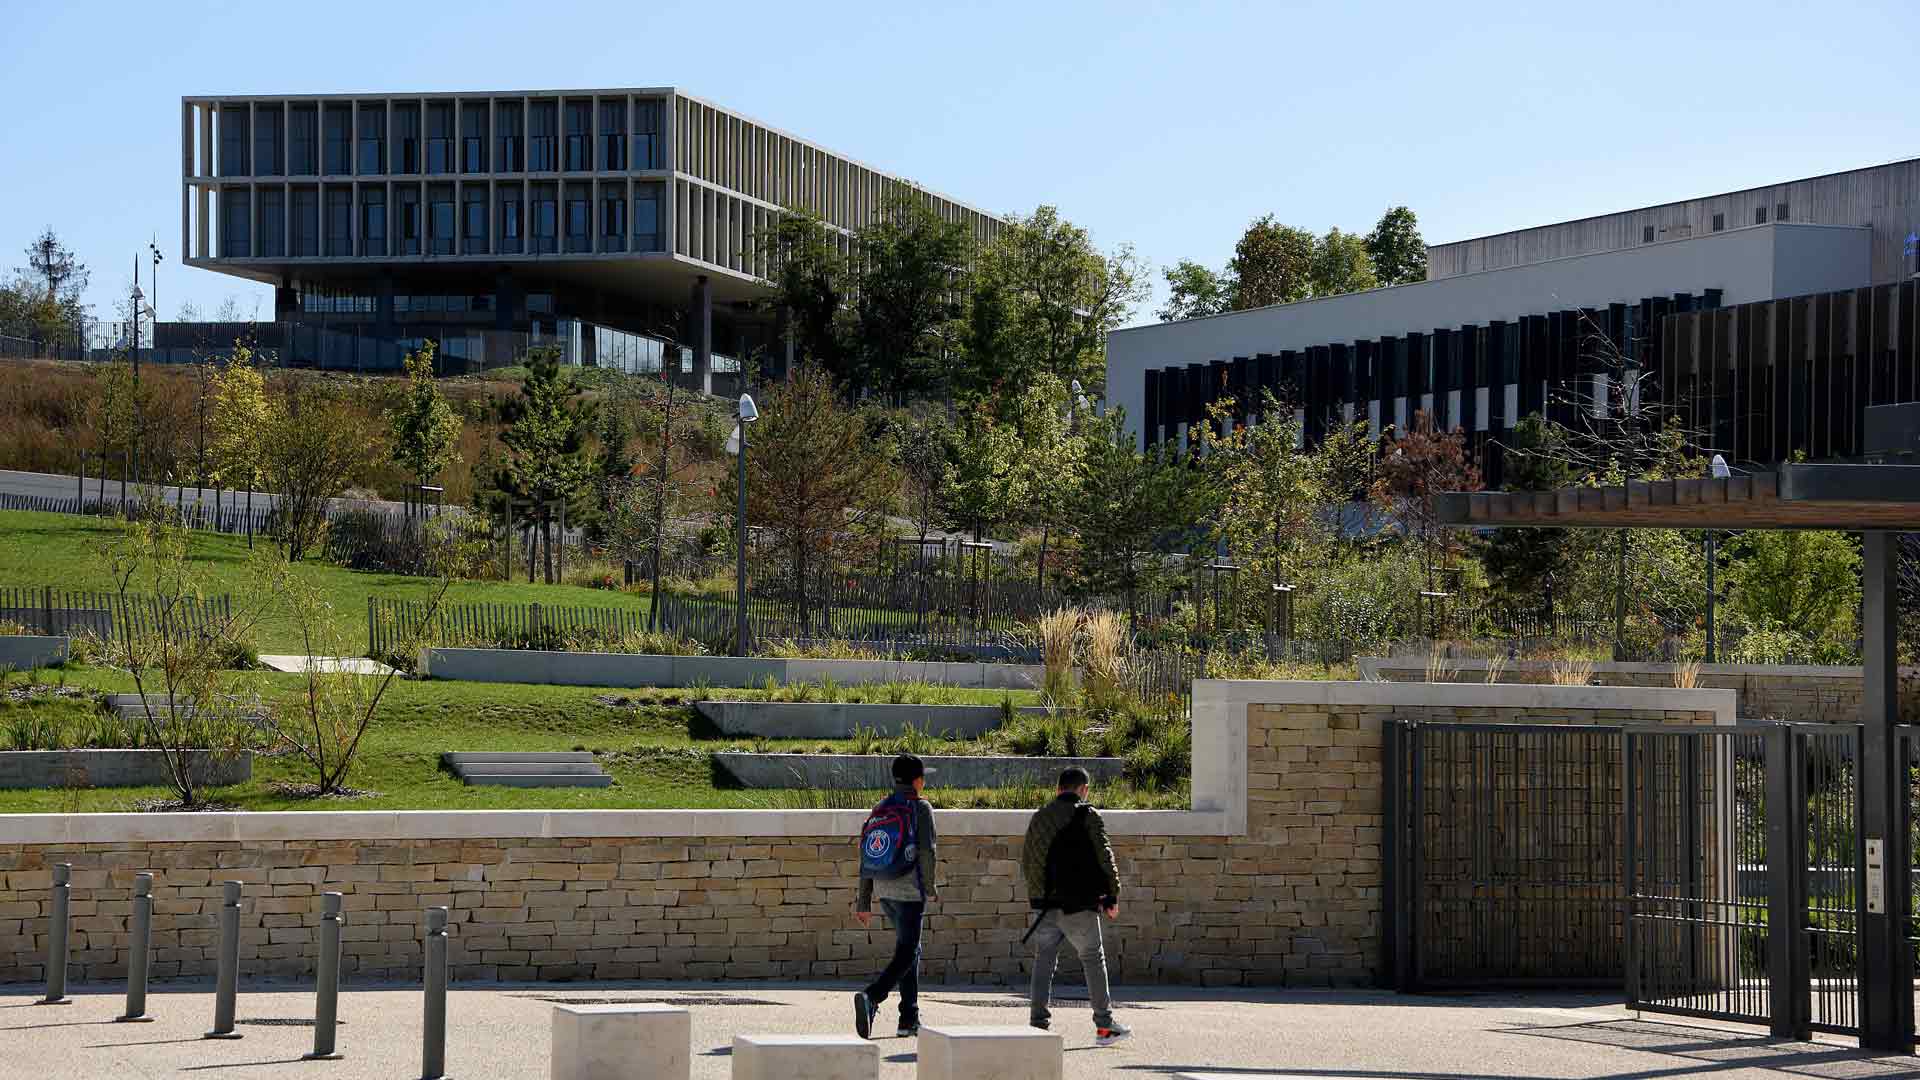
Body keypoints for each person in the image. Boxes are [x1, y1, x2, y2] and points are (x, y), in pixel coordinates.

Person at [1022, 766, 1131, 1046]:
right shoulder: (1088, 815)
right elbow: (1104, 856)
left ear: (1059, 788)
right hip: (1078, 904)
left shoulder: (1040, 817)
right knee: (1093, 958)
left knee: (1043, 960)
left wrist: (1038, 898)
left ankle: (1037, 1026)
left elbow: (1028, 861)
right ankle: (1104, 1027)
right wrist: (1111, 895)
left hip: (1045, 906)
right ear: (1082, 789)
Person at [853, 752, 938, 1040]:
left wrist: (864, 901)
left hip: (884, 889)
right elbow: (927, 851)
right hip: (910, 891)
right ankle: (872, 996)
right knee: (909, 951)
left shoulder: (881, 807)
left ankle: (908, 1019)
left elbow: (867, 853)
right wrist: (929, 886)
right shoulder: (920, 807)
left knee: (909, 951)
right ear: (917, 780)